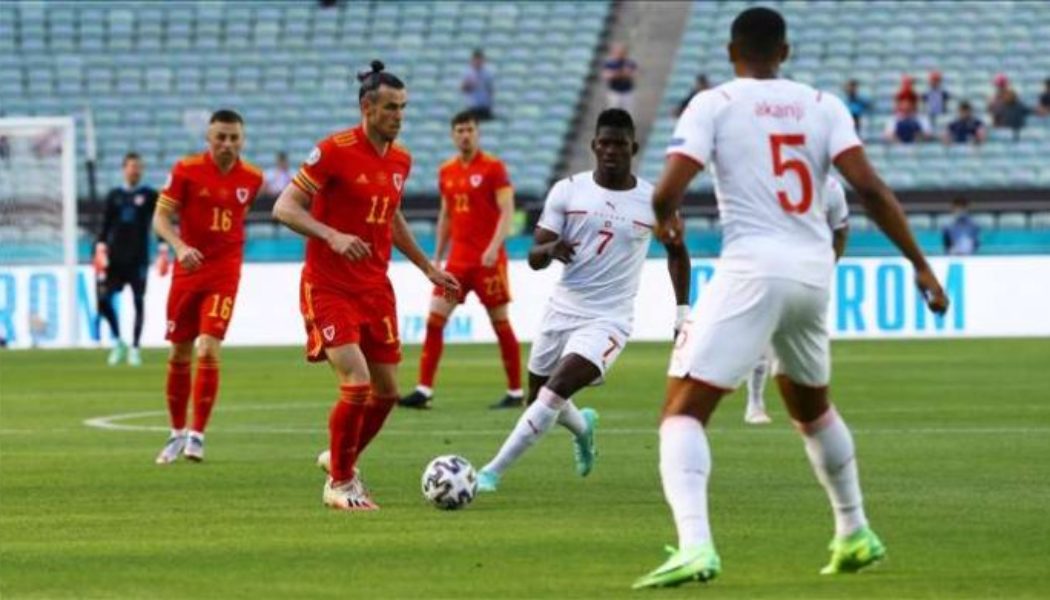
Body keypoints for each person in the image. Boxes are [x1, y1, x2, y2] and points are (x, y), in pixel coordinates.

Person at [633, 7, 949, 588]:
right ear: (785, 52)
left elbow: (668, 188)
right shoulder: (823, 105)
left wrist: (666, 219)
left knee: (681, 414)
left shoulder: (713, 103)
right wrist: (921, 265)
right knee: (811, 409)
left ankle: (695, 546)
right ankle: (854, 530)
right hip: (812, 273)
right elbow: (871, 189)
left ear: (732, 52)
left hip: (752, 268)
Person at [272, 61, 459, 511]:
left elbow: (391, 216)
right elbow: (284, 207)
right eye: (391, 107)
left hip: (375, 288)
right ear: (367, 108)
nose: (399, 116)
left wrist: (428, 267)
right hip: (328, 285)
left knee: (387, 392)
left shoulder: (400, 159)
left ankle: (341, 458)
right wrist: (332, 235)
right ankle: (340, 483)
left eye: (403, 107)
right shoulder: (332, 151)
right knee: (356, 383)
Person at [474, 109, 691, 493]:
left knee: (554, 391)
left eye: (619, 144)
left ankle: (489, 473)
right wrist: (551, 249)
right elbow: (535, 256)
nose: (611, 151)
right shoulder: (568, 191)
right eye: (604, 143)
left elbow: (677, 252)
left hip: (609, 319)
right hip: (562, 309)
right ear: (593, 145)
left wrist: (681, 313)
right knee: (538, 397)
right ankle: (583, 427)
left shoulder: (654, 200)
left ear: (633, 148)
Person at [152, 110, 264, 465]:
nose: (227, 144)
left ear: (242, 140)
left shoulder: (253, 177)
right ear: (209, 138)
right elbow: (160, 218)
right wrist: (179, 247)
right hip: (187, 271)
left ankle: (197, 435)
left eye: (234, 138)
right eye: (221, 137)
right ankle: (176, 433)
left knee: (208, 349)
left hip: (224, 274)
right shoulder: (186, 170)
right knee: (179, 353)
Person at [399, 111, 523, 410]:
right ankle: (424, 390)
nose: (465, 135)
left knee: (500, 322)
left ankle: (516, 392)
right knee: (434, 320)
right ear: (453, 135)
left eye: (469, 130)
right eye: (460, 130)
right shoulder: (446, 170)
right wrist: (438, 255)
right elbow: (446, 215)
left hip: (488, 262)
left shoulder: (494, 168)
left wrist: (494, 246)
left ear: (477, 133)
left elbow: (507, 210)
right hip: (457, 263)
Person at [743, 177, 851, 425]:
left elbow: (841, 230)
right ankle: (755, 402)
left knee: (807, 338)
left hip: (809, 273)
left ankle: (813, 404)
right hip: (771, 268)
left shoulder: (831, 188)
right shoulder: (774, 180)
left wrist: (827, 266)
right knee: (764, 335)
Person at [94, 152, 159, 367]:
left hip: (138, 258)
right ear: (124, 169)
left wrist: (162, 248)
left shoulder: (149, 195)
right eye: (131, 166)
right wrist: (100, 248)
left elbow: (159, 221)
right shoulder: (114, 196)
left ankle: (135, 348)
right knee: (103, 300)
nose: (135, 170)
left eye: (138, 167)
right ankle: (119, 341)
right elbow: (105, 225)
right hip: (115, 259)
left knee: (138, 301)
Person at [602, 43, 638, 113]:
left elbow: (635, 74)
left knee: (627, 112)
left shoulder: (629, 63)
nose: (620, 54)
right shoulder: (610, 63)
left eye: (622, 52)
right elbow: (606, 75)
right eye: (618, 52)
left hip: (627, 91)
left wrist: (628, 74)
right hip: (615, 92)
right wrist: (619, 74)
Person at [461, 49, 495, 121]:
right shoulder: (467, 73)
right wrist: (470, 85)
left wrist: (490, 102)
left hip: (485, 106)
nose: (478, 62)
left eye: (480, 60)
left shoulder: (487, 73)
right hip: (473, 106)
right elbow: (463, 88)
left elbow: (491, 89)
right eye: (476, 60)